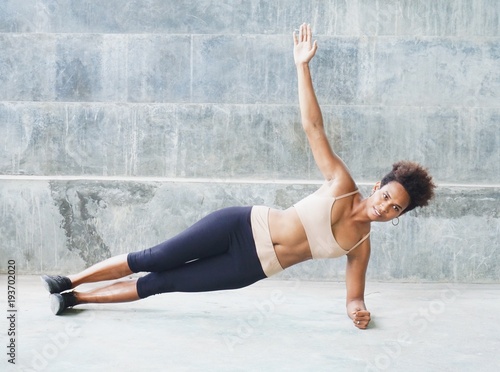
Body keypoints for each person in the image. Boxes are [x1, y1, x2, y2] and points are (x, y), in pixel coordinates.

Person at [41, 23, 435, 329]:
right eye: (386, 196)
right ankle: (69, 280)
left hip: (250, 268)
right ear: (377, 187)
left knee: (162, 282)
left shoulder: (361, 246)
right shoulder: (342, 185)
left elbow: (353, 297)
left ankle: (76, 300)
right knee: (154, 258)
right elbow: (313, 128)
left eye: (395, 208)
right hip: (240, 226)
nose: (385, 207)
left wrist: (359, 311)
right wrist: (302, 67)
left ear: (399, 216)